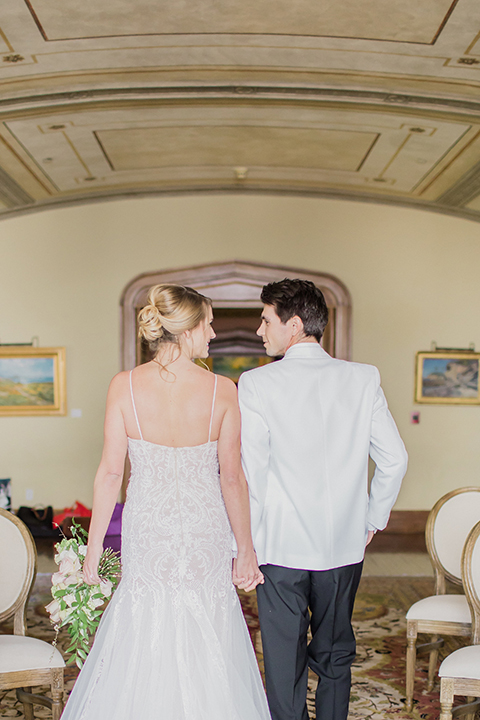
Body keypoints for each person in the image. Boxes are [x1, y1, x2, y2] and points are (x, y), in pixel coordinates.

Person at [61, 284, 271, 720]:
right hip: (204, 529)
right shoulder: (222, 390)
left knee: (145, 618)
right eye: (209, 324)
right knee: (206, 623)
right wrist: (246, 550)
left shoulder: (124, 387)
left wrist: (95, 548)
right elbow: (232, 478)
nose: (213, 333)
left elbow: (111, 474)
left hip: (149, 528)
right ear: (188, 329)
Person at [238, 279, 408, 720]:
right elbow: (395, 459)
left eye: (265, 320)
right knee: (335, 655)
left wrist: (246, 546)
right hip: (342, 545)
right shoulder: (363, 378)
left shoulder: (256, 384)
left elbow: (251, 473)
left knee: (282, 661)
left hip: (279, 547)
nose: (260, 330)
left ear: (293, 325)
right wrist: (372, 518)